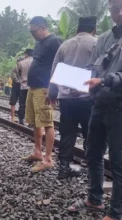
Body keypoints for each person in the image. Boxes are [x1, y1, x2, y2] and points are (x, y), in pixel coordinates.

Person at [67, 2, 122, 219]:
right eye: (114, 7)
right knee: (93, 153)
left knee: (118, 162)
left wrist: (105, 79)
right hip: (99, 105)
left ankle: (116, 212)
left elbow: (110, 76)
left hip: (119, 108)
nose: (118, 12)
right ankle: (95, 199)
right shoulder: (106, 38)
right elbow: (94, 66)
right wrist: (77, 81)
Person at [48, 17, 97, 180]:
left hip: (66, 99)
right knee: (90, 134)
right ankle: (92, 171)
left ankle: (63, 168)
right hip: (87, 98)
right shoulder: (96, 43)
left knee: (67, 133)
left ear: (77, 30)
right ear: (94, 30)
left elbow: (55, 71)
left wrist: (52, 94)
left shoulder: (65, 45)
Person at [21, 16, 62, 172]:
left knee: (46, 122)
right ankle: (38, 152)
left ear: (43, 27)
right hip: (33, 87)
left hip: (44, 88)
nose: (33, 34)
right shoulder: (38, 43)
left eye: (34, 31)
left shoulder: (55, 41)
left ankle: (48, 158)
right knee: (35, 122)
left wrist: (54, 90)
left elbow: (60, 66)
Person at [17, 49, 34, 125]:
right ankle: (31, 122)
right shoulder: (35, 62)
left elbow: (19, 74)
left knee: (22, 103)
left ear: (26, 54)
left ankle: (21, 119)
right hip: (33, 86)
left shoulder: (21, 63)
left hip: (23, 86)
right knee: (32, 104)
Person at [10, 58, 23, 122]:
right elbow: (13, 76)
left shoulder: (24, 68)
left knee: (22, 103)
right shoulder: (14, 68)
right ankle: (12, 117)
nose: (19, 63)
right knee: (13, 102)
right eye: (18, 62)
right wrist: (19, 81)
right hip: (15, 87)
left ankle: (21, 118)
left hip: (22, 87)